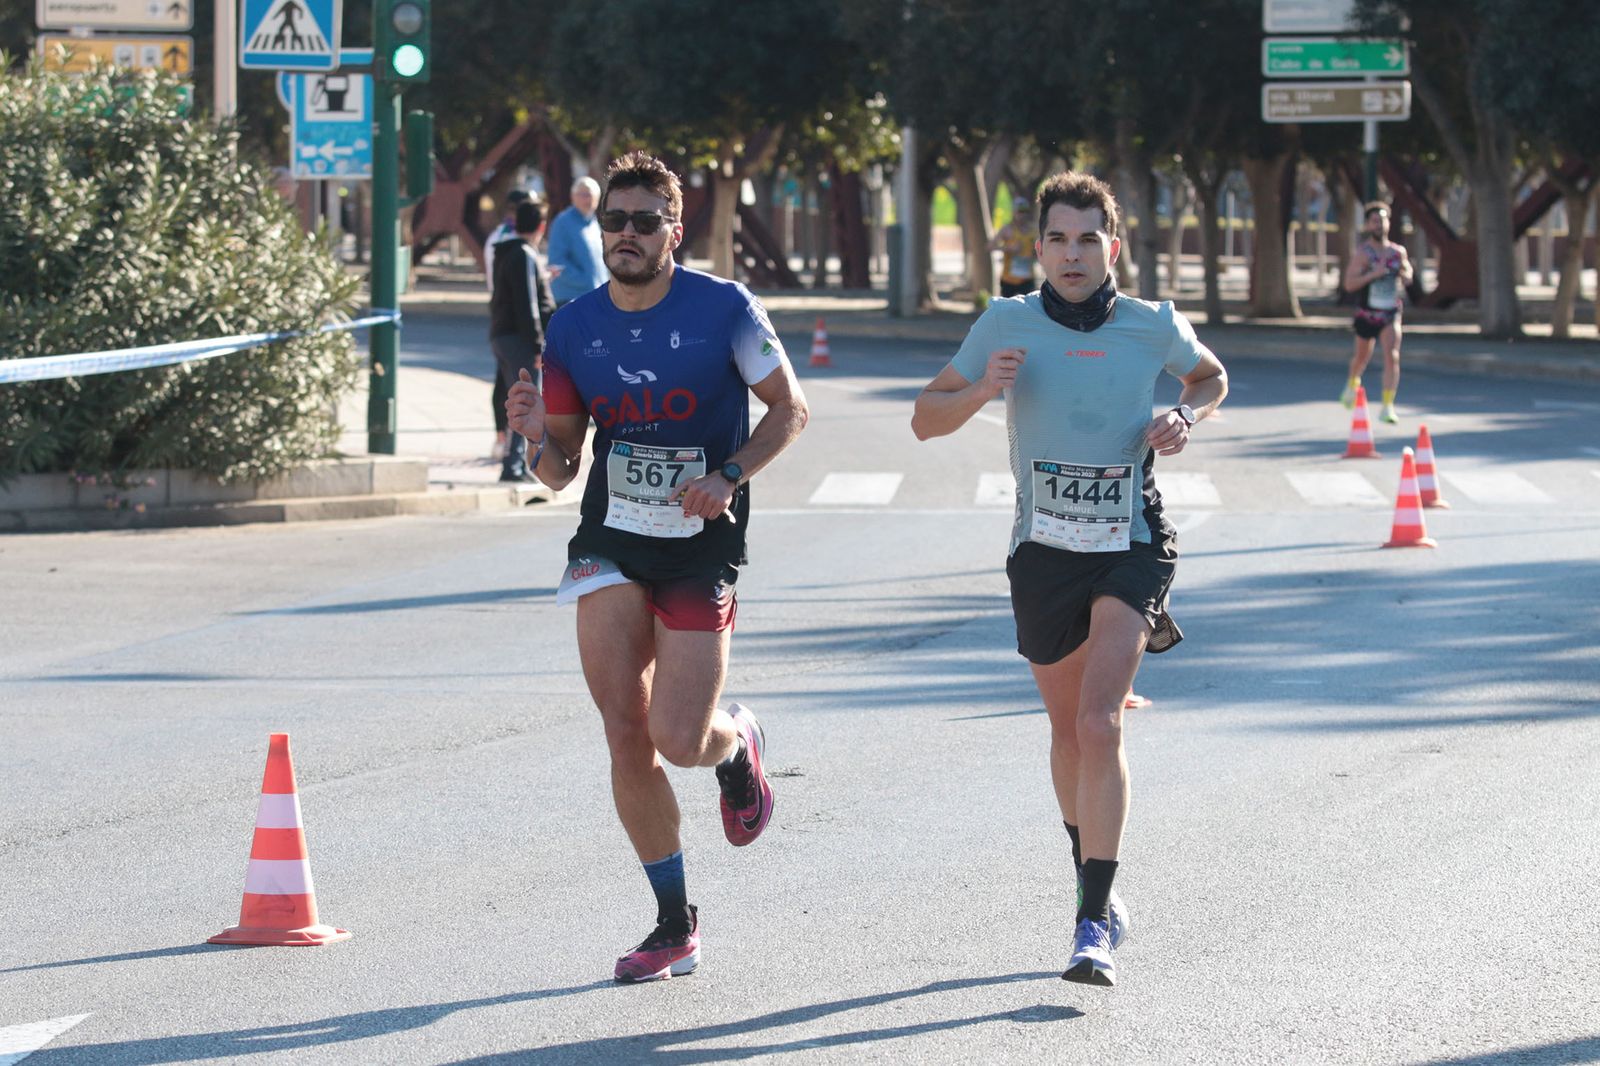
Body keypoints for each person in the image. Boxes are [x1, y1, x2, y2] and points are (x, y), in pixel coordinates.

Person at [911, 171, 1228, 988]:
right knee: (1064, 731)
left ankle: (1092, 921)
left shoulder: (1150, 324)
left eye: (1089, 238)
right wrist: (984, 388)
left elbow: (1210, 376)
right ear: (1039, 247)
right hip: (1043, 550)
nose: (1073, 253)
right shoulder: (1006, 322)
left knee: (1100, 721)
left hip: (1132, 537)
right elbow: (924, 417)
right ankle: (1090, 872)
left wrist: (1185, 415)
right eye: (1058, 238)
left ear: (1112, 247)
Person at [504, 151, 809, 984]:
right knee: (623, 729)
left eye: (645, 222)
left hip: (700, 538)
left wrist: (729, 475)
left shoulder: (725, 308)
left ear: (675, 230)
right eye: (615, 221)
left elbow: (791, 408)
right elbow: (562, 468)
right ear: (599, 227)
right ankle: (675, 922)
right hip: (611, 536)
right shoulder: (572, 326)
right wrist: (534, 435)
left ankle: (735, 743)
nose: (627, 236)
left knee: (681, 738)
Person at [489, 201, 556, 482]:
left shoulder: (503, 252)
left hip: (501, 334)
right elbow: (528, 303)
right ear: (540, 227)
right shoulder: (526, 255)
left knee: (511, 397)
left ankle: (511, 460)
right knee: (525, 401)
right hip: (519, 339)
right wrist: (538, 345)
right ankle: (514, 464)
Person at [1340, 202, 1413, 424]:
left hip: (1390, 312)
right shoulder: (1363, 253)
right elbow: (1349, 284)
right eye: (1375, 221)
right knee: (1362, 357)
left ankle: (1387, 406)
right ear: (1368, 225)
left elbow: (1408, 272)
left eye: (1383, 220)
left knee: (1392, 356)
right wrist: (1373, 274)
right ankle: (1353, 382)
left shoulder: (1397, 252)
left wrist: (1406, 274)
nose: (1379, 224)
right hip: (1367, 313)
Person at [485, 189, 531, 459]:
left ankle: (504, 442)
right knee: (512, 384)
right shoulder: (510, 241)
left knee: (503, 382)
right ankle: (509, 448)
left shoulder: (499, 238)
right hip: (510, 319)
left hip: (500, 317)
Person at [547, 176, 609, 306]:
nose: (587, 199)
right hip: (571, 299)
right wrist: (587, 281)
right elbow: (557, 263)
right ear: (573, 197)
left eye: (590, 195)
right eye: (582, 194)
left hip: (596, 297)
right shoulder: (562, 222)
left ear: (597, 199)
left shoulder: (594, 224)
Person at [989, 196, 1039, 298]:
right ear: (1013, 212)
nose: (1022, 215)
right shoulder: (1007, 229)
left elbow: (1041, 250)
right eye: (1019, 211)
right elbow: (990, 246)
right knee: (1007, 311)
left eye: (1024, 211)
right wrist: (1008, 248)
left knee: (1029, 311)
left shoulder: (1033, 230)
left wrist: (1036, 253)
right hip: (1008, 279)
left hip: (1027, 279)